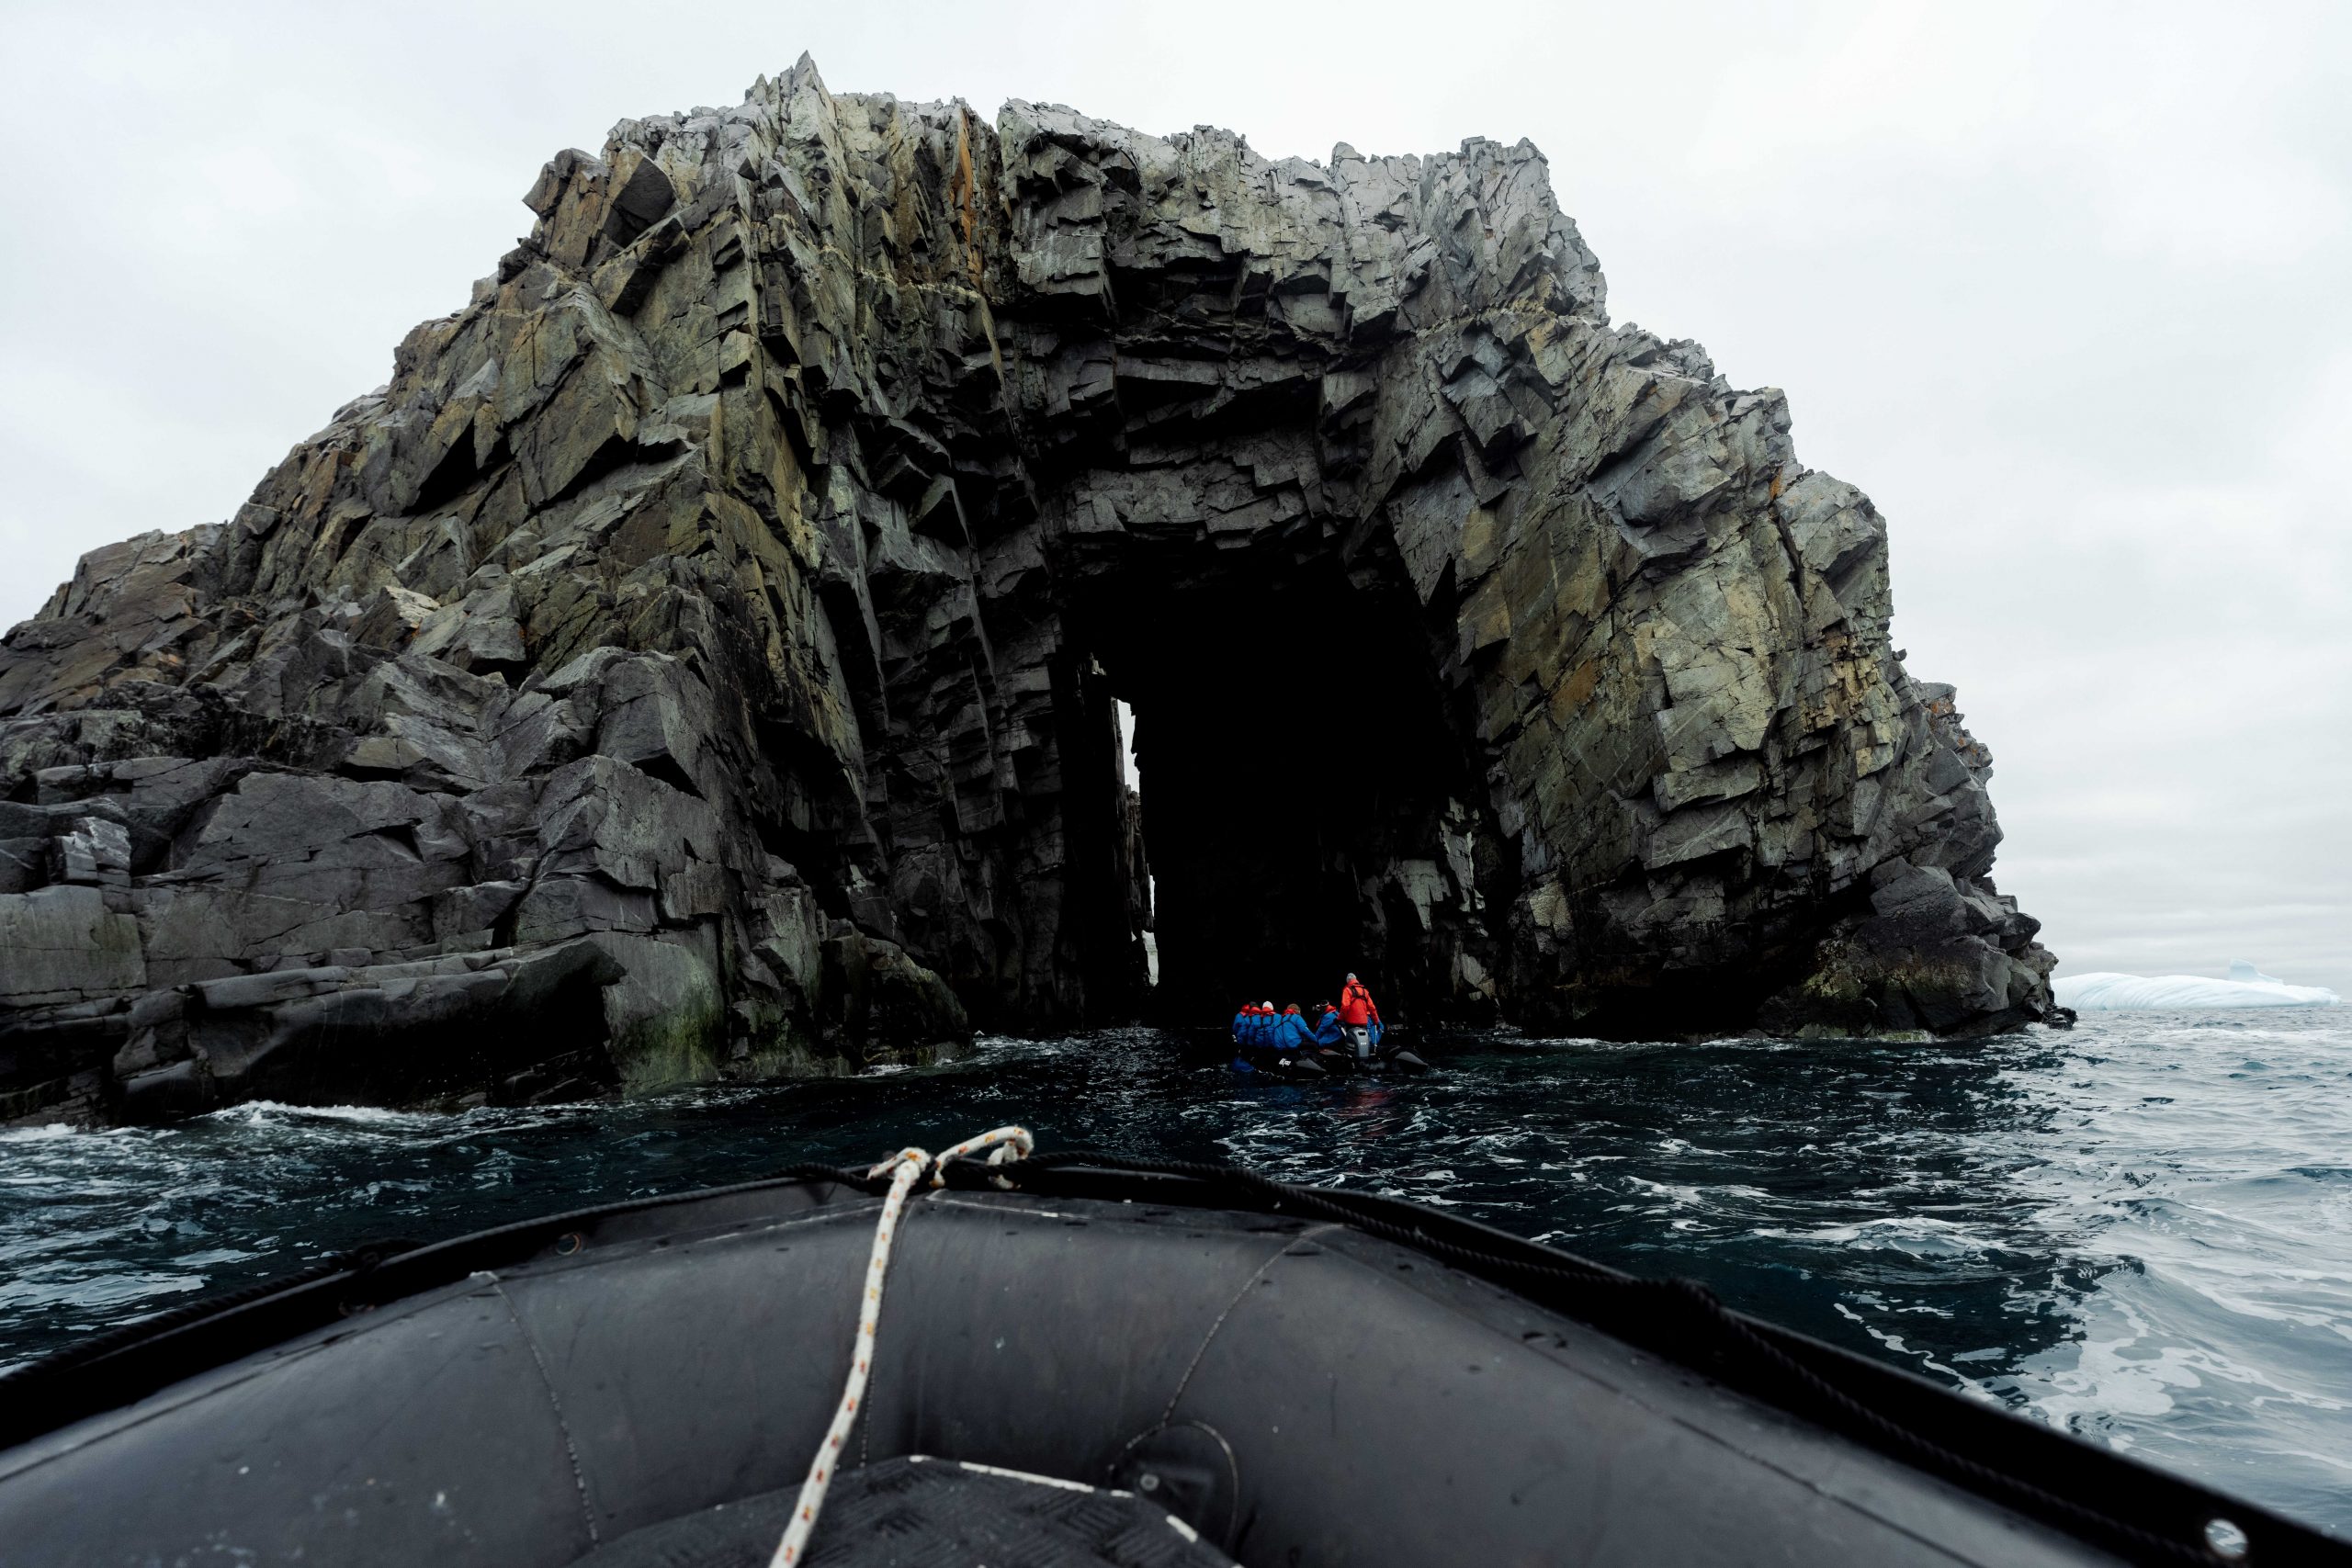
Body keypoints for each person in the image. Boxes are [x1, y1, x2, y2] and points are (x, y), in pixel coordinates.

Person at [1337, 972, 1382, 1061]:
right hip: (1363, 1023)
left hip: (1351, 1023)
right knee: (1363, 1043)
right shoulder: (1365, 991)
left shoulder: (1347, 990)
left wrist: (1339, 1019)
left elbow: (1345, 1007)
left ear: (1348, 981)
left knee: (1349, 1044)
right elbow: (1372, 1008)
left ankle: (1349, 1061)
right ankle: (1365, 1061)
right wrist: (1376, 1021)